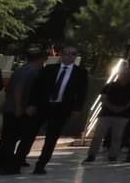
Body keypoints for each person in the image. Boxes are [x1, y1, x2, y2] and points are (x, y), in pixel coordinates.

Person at [18, 45, 88, 174]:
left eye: (73, 54)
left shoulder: (80, 73)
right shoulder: (49, 69)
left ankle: (41, 165)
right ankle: (18, 160)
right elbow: (37, 88)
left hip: (61, 108)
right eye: (67, 53)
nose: (69, 56)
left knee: (51, 138)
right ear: (62, 55)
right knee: (29, 134)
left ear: (75, 56)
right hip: (43, 106)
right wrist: (32, 105)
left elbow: (82, 92)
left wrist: (76, 108)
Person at [0, 47, 43, 173]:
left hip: (12, 107)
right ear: (41, 59)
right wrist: (18, 108)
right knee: (10, 138)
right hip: (15, 109)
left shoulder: (23, 70)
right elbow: (18, 90)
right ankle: (3, 164)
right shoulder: (29, 71)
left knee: (9, 137)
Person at [84, 68, 130, 163]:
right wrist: (112, 107)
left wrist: (123, 108)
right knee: (98, 135)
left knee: (117, 136)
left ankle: (113, 155)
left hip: (123, 115)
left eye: (126, 74)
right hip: (106, 113)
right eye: (122, 74)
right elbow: (103, 98)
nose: (124, 76)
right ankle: (91, 155)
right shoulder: (110, 85)